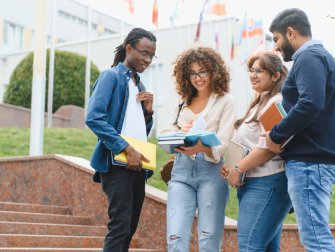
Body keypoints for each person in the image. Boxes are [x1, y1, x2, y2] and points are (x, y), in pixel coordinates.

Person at [265, 8, 335, 251]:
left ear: (290, 32)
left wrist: (276, 134)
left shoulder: (308, 57)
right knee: (315, 235)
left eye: (277, 38)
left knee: (315, 238)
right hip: (317, 160)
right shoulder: (319, 56)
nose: (275, 48)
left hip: (311, 162)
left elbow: (310, 103)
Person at [85, 28, 157, 252]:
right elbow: (94, 118)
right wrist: (125, 148)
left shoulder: (140, 85)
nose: (147, 59)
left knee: (129, 229)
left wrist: (148, 113)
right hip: (118, 163)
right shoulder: (111, 77)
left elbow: (139, 129)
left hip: (139, 164)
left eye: (151, 56)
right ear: (129, 48)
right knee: (119, 227)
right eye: (144, 53)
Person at [161, 47, 237, 252]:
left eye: (202, 71)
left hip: (211, 172)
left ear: (214, 72)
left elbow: (224, 141)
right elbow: (167, 129)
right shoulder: (182, 101)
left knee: (209, 237)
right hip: (181, 171)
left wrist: (203, 147)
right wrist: (180, 131)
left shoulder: (225, 102)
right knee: (175, 236)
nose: (198, 78)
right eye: (192, 73)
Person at [221, 52, 292, 251]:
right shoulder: (259, 102)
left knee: (250, 246)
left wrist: (237, 168)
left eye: (260, 71)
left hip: (268, 182)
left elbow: (270, 148)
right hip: (254, 182)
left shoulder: (276, 102)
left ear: (275, 75)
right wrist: (232, 167)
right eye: (251, 70)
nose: (253, 75)